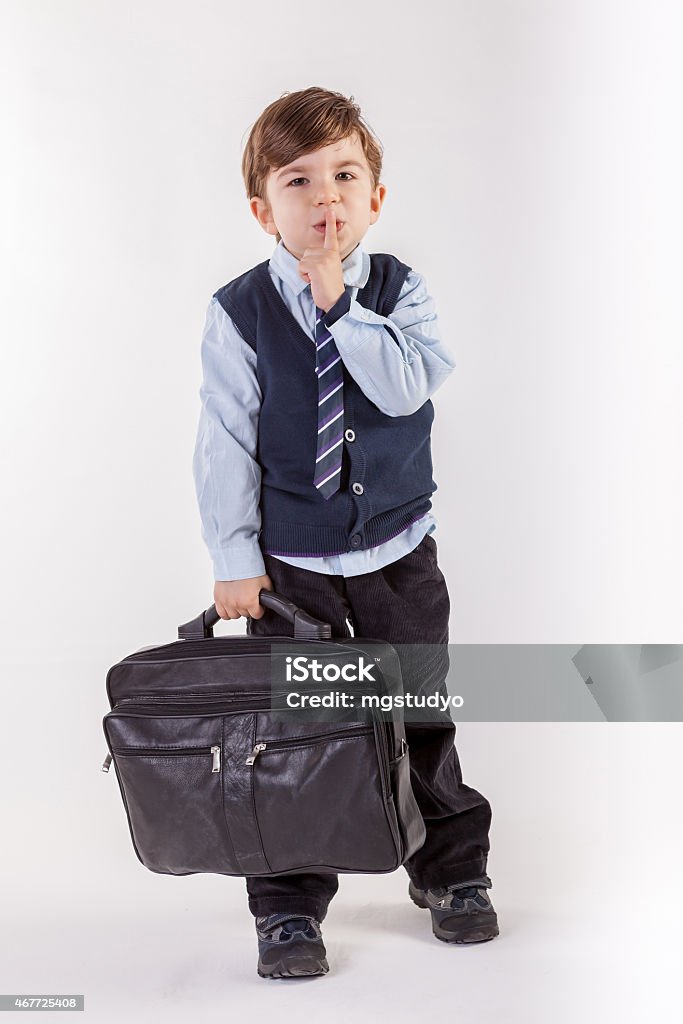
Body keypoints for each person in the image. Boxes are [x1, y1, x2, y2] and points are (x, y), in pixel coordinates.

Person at [192, 86, 498, 980]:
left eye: (344, 175)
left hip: (399, 557)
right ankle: (288, 902)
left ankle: (451, 872)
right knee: (299, 735)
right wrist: (233, 558)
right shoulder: (237, 311)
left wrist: (337, 302)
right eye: (298, 181)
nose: (324, 198)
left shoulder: (402, 292)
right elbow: (223, 438)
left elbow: (406, 387)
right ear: (263, 209)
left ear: (375, 198)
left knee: (420, 716)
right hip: (295, 575)